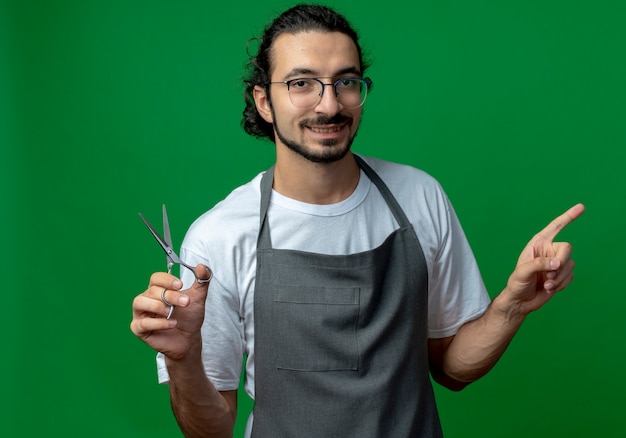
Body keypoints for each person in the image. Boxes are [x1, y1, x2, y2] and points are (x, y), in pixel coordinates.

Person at [130, 4, 584, 437]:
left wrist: (512, 305)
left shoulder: (419, 196)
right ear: (264, 101)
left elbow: (453, 368)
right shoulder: (220, 236)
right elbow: (210, 431)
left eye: (345, 81)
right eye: (302, 83)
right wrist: (184, 360)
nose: (329, 106)